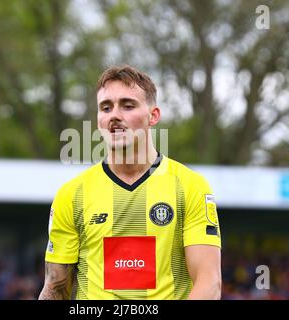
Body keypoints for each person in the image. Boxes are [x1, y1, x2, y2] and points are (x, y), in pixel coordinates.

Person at [38, 65, 221, 300]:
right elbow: (55, 289)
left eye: (127, 105)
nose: (114, 115)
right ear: (99, 120)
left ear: (153, 116)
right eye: (106, 107)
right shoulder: (72, 194)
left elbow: (209, 282)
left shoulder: (190, 186)